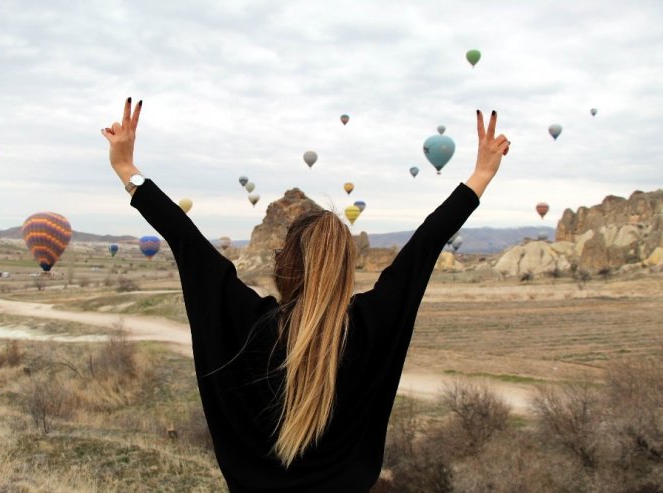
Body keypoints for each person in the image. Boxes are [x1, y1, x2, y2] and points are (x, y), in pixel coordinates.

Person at [101, 99, 509, 493]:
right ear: (346, 270)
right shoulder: (370, 328)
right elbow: (426, 244)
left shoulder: (246, 328)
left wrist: (126, 169)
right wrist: (481, 176)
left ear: (283, 267)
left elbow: (185, 239)